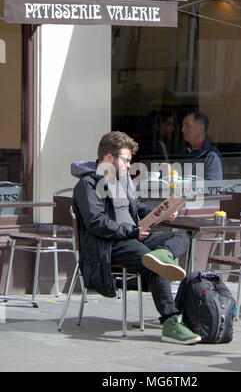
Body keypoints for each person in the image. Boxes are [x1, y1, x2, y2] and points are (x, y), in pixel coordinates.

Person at [72, 131, 201, 345]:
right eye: (126, 160)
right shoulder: (87, 186)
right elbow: (97, 223)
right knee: (154, 264)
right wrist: (131, 232)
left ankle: (163, 254)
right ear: (108, 158)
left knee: (182, 234)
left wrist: (161, 212)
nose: (129, 166)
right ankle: (171, 322)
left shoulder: (121, 181)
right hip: (110, 245)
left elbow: (136, 207)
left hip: (135, 238)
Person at [181, 111, 223, 181]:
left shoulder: (211, 156)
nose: (182, 130)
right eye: (182, 126)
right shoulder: (184, 153)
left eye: (187, 126)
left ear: (201, 128)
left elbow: (213, 188)